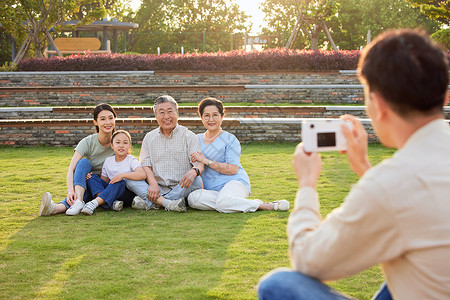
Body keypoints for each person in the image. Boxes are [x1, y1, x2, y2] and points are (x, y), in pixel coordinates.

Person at [258, 29, 450, 299]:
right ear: (444, 98)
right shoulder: (395, 181)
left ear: (378, 104)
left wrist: (307, 184)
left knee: (277, 285)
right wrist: (363, 167)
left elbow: (308, 258)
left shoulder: (390, 184)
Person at [187, 97, 290, 213]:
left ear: (222, 116)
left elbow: (233, 169)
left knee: (223, 202)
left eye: (215, 115)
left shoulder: (230, 139)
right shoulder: (196, 139)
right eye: (206, 115)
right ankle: (234, 202)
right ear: (201, 118)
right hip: (212, 190)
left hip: (234, 182)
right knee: (193, 199)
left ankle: (263, 205)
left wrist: (206, 161)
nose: (211, 119)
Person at [39, 103, 133, 216]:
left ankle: (61, 207)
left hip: (110, 184)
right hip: (90, 183)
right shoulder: (87, 142)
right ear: (95, 122)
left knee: (113, 185)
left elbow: (129, 163)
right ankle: (69, 204)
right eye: (102, 119)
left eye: (110, 118)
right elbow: (71, 169)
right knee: (83, 163)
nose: (108, 122)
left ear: (115, 119)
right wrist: (71, 191)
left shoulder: (119, 142)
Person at [127, 95, 204, 213]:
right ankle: (168, 203)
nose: (166, 116)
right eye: (161, 112)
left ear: (177, 112)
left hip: (181, 187)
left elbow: (199, 163)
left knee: (197, 180)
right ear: (156, 115)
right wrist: (152, 183)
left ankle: (152, 202)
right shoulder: (149, 137)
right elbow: (145, 164)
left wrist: (193, 172)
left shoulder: (189, 136)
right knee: (129, 179)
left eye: (170, 111)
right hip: (157, 187)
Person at [79, 130, 147, 215]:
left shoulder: (131, 159)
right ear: (112, 145)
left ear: (129, 146)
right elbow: (103, 182)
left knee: (119, 182)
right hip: (112, 190)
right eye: (117, 142)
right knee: (92, 178)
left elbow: (142, 174)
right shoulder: (108, 161)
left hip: (125, 193)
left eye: (125, 143)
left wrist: (122, 176)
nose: (121, 145)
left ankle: (93, 204)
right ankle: (111, 203)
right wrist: (92, 179)